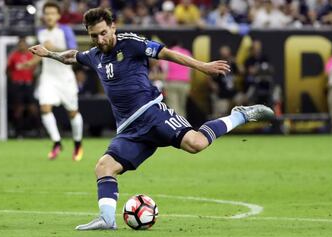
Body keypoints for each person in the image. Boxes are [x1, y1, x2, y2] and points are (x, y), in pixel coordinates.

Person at [28, 7, 275, 230]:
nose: (100, 39)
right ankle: (107, 219)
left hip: (152, 113)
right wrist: (49, 53)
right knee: (104, 167)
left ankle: (240, 115)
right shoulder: (95, 55)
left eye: (104, 33)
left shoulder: (130, 43)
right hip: (128, 129)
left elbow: (166, 53)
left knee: (196, 144)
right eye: (94, 36)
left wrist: (202, 66)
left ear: (113, 27)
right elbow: (73, 56)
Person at [22, 2, 84, 161]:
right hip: (48, 76)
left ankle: (77, 144)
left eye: (52, 13)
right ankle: (57, 142)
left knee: (72, 112)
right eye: (47, 13)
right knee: (44, 107)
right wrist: (30, 63)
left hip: (65, 77)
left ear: (58, 16)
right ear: (43, 16)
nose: (49, 16)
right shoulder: (40, 32)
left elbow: (74, 53)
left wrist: (53, 48)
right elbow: (40, 54)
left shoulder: (65, 30)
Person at [7, 37, 40, 137]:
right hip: (17, 85)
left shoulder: (31, 56)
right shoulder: (13, 56)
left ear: (26, 45)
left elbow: (34, 71)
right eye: (20, 44)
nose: (22, 46)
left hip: (28, 85)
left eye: (23, 44)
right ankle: (18, 133)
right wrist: (14, 79)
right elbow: (8, 70)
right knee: (19, 109)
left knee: (32, 108)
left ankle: (39, 131)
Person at [160, 40, 192, 117]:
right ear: (180, 44)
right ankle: (185, 127)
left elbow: (164, 69)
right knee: (182, 106)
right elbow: (190, 69)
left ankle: (176, 127)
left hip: (171, 83)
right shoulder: (186, 52)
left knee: (172, 107)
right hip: (184, 83)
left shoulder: (167, 52)